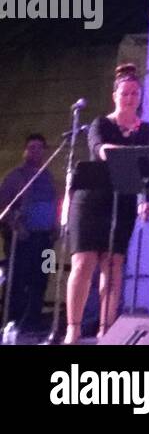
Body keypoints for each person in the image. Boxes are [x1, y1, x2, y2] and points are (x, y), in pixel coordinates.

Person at [65, 64, 149, 341]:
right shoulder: (101, 124)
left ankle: (106, 330)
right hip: (91, 200)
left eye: (134, 94)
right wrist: (132, 156)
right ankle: (73, 328)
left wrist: (145, 199)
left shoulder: (146, 131)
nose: (129, 98)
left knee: (114, 265)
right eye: (125, 93)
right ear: (115, 96)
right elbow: (100, 149)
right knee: (83, 263)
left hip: (123, 202)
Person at [0, 134, 57, 334]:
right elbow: (2, 207)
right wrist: (16, 226)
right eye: (32, 147)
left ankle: (34, 320)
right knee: (18, 280)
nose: (35, 152)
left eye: (39, 148)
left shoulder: (48, 177)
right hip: (23, 239)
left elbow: (54, 204)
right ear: (25, 151)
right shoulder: (14, 176)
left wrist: (56, 227)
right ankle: (13, 322)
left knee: (43, 277)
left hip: (47, 241)